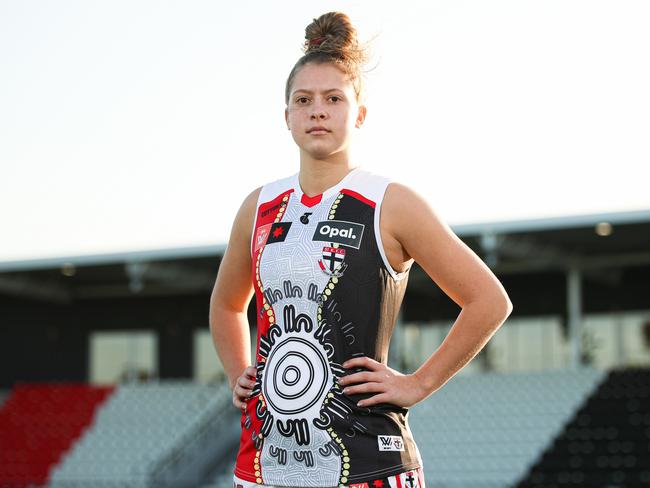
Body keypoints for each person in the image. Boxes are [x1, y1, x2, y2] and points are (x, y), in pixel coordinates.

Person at [209, 11, 513, 488]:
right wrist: (237, 373)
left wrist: (416, 384)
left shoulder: (391, 203)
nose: (317, 110)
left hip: (369, 466)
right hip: (264, 469)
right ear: (286, 115)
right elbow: (228, 304)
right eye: (303, 100)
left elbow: (489, 301)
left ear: (360, 113)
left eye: (334, 98)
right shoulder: (258, 207)